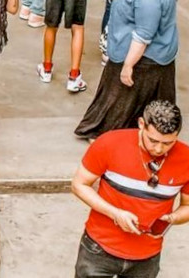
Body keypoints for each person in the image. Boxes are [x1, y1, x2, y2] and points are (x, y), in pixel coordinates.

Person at [76, 0, 181, 139]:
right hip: (157, 56)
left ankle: (109, 138)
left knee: (120, 102)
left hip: (141, 59)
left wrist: (128, 66)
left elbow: (143, 35)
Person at [71, 100, 189, 277]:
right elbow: (79, 185)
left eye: (168, 143)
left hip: (147, 256)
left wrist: (171, 218)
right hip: (99, 249)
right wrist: (115, 213)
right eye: (153, 140)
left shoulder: (186, 159)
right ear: (141, 124)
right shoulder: (109, 143)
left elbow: (187, 206)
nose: (158, 148)